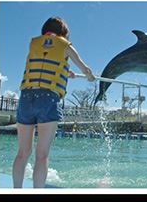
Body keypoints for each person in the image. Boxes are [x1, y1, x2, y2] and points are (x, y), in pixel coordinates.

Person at [12, 16, 95, 188]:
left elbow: (45, 62)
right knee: (41, 155)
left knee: (22, 153)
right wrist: (89, 75)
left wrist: (66, 71)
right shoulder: (65, 45)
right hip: (48, 99)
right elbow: (84, 67)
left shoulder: (34, 43)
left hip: (26, 97)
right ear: (63, 33)